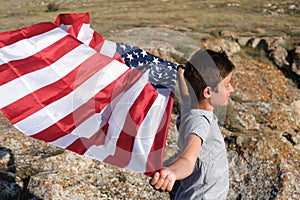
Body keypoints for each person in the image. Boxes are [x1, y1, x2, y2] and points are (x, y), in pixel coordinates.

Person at [150, 49, 235, 199]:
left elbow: (186, 95)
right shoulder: (200, 122)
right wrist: (172, 172)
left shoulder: (192, 104)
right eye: (227, 85)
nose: (232, 89)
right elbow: (187, 160)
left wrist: (181, 76)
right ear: (208, 92)